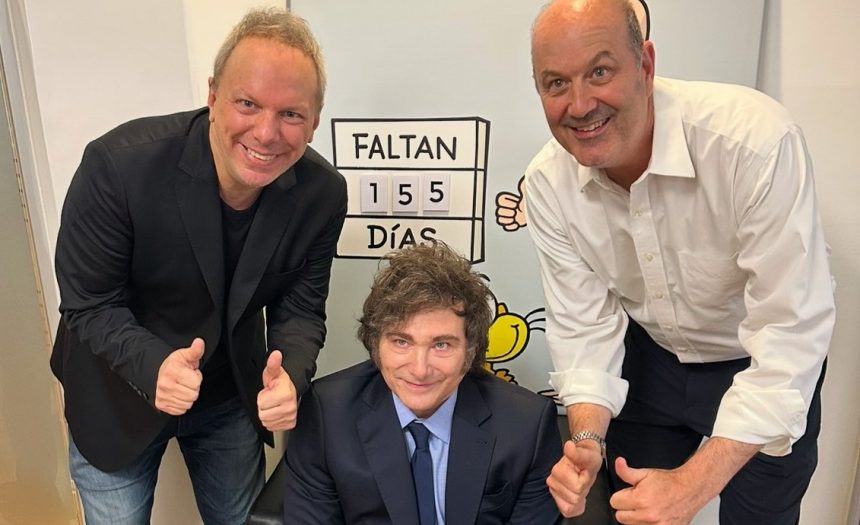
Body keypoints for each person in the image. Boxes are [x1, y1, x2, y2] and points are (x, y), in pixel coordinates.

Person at [525, 0, 836, 523]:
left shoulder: (752, 142)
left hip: (759, 358)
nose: (579, 105)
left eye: (599, 72)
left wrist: (693, 485)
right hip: (652, 356)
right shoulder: (548, 183)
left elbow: (790, 332)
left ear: (645, 65)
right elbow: (584, 328)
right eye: (556, 83)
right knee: (632, 510)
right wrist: (586, 439)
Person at [50, 7, 346, 524]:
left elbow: (300, 310)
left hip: (229, 394)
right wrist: (154, 367)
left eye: (291, 114)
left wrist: (290, 377)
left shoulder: (322, 194)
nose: (267, 132)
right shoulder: (117, 166)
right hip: (115, 393)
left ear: (315, 121)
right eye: (248, 103)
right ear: (212, 96)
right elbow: (88, 303)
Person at [282, 242, 562, 524]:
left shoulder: (528, 425)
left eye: (441, 345)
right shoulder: (327, 414)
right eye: (401, 342)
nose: (419, 370)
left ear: (471, 351)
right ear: (376, 344)